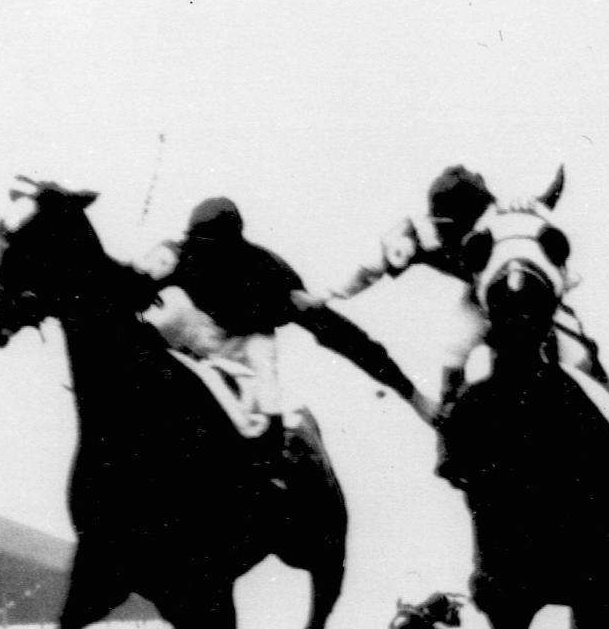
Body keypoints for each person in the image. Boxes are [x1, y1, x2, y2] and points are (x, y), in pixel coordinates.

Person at [318, 165, 609, 466]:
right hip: (480, 301)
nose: (453, 234)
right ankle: (448, 436)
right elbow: (372, 267)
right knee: (454, 347)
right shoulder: (421, 236)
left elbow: (553, 252)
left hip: (523, 298)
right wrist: (332, 293)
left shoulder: (509, 218)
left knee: (575, 349)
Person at [136, 197, 435, 468]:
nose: (202, 255)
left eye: (211, 248)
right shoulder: (176, 257)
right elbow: (125, 288)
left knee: (261, 356)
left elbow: (345, 337)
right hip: (189, 336)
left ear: (231, 247)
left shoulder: (269, 276)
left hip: (240, 346)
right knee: (167, 309)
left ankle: (272, 449)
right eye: (196, 244)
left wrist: (412, 395)